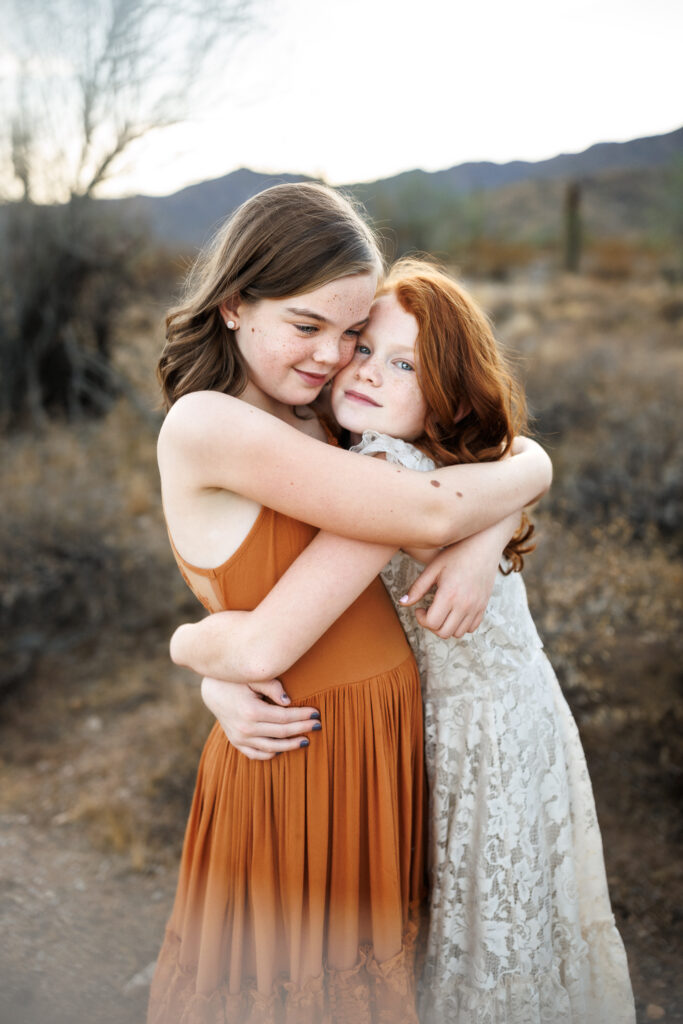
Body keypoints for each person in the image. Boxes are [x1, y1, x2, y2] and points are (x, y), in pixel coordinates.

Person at [172, 259, 635, 1023]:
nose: (362, 371)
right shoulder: (373, 462)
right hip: (460, 735)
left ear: (444, 390)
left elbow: (490, 477)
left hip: (479, 746)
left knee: (479, 946)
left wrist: (189, 648)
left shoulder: (393, 466)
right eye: (360, 347)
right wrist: (202, 665)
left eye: (402, 363)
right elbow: (517, 465)